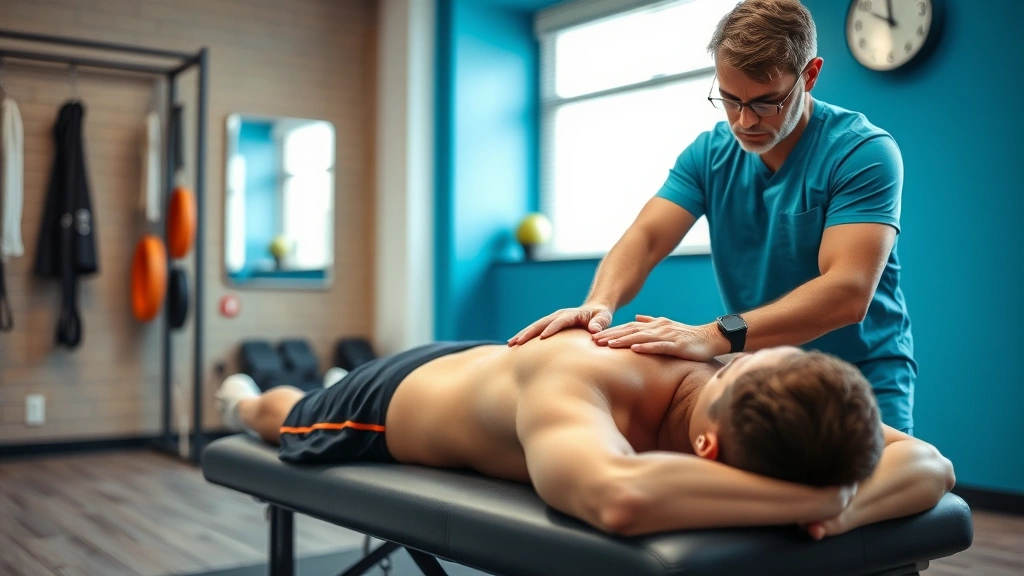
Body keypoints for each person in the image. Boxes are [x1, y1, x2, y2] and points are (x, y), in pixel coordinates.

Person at [507, 0, 917, 435]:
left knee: (882, 492)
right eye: (729, 98)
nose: (744, 120)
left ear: (810, 75)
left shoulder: (863, 152)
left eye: (766, 102)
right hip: (764, 376)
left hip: (861, 379)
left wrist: (713, 335)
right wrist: (599, 302)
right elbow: (645, 238)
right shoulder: (709, 154)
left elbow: (847, 291)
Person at [215, 329, 954, 538]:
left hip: (491, 376)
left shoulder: (762, 403)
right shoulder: (580, 391)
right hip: (395, 398)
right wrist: (811, 503)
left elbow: (930, 464)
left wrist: (841, 504)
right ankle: (239, 400)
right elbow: (615, 496)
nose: (739, 357)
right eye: (749, 358)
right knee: (284, 414)